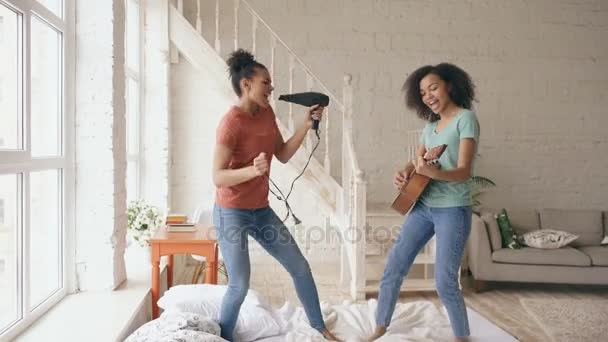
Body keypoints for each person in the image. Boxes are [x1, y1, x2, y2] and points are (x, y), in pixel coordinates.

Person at [212, 49, 340, 341]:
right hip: (231, 211)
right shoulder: (231, 123)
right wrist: (251, 172)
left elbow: (281, 154)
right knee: (240, 284)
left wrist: (305, 126)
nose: (271, 88)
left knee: (300, 268)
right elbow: (217, 176)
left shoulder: (267, 113)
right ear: (246, 84)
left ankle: (319, 327)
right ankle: (224, 336)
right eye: (265, 82)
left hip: (261, 210)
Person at [369, 63, 480, 342]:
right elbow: (418, 160)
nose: (428, 95)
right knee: (394, 267)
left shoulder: (465, 119)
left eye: (433, 87)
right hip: (423, 206)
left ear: (449, 86)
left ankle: (462, 338)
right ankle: (380, 327)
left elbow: (465, 170)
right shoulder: (430, 126)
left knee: (444, 282)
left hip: (453, 209)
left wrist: (436, 173)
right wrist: (405, 171)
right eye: (422, 92)